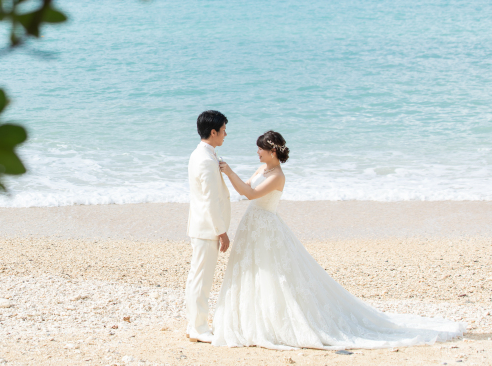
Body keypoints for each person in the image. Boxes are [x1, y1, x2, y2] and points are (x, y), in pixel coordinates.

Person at [212, 130, 464, 350]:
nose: (257, 151)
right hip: (252, 224)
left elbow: (250, 193)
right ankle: (252, 320)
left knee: (277, 276)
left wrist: (229, 171)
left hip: (267, 228)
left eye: (261, 148)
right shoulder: (262, 168)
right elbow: (245, 185)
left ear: (272, 151)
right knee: (252, 272)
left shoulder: (278, 175)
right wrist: (226, 176)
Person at [185, 110, 232, 343]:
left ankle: (194, 324)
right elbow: (210, 200)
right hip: (206, 228)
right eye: (223, 130)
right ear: (213, 132)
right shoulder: (204, 159)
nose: (225, 134)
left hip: (202, 225)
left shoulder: (203, 154)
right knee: (201, 279)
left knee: (198, 276)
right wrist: (221, 231)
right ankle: (199, 328)